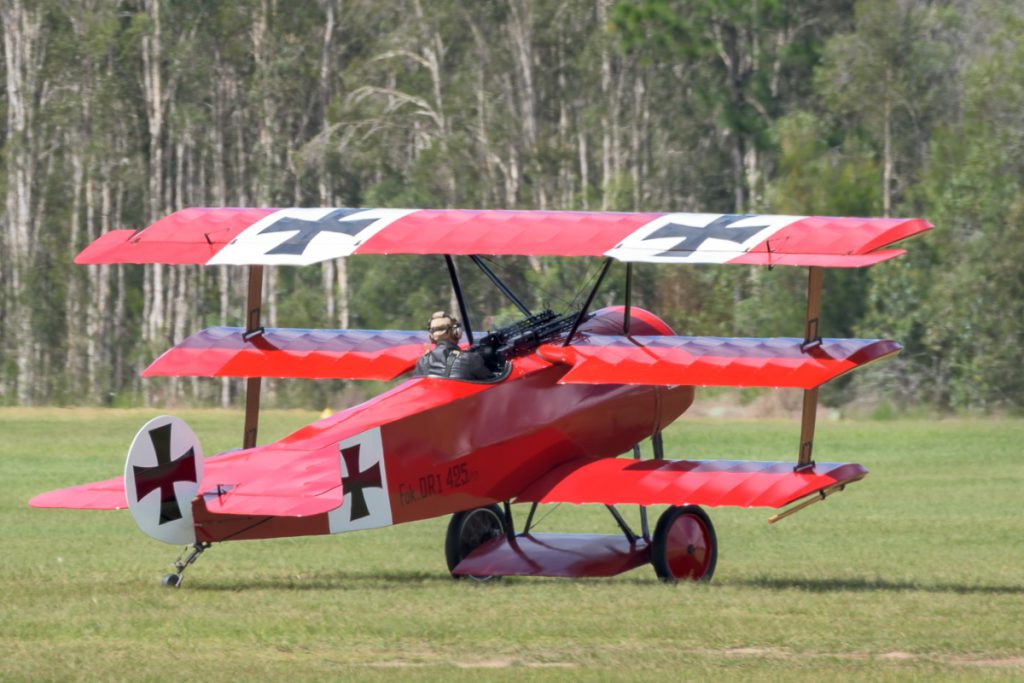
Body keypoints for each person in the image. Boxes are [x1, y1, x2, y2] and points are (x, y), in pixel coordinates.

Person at [414, 311, 493, 380]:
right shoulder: (469, 359)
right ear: (456, 332)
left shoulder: (422, 361)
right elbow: (491, 382)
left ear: (431, 336)